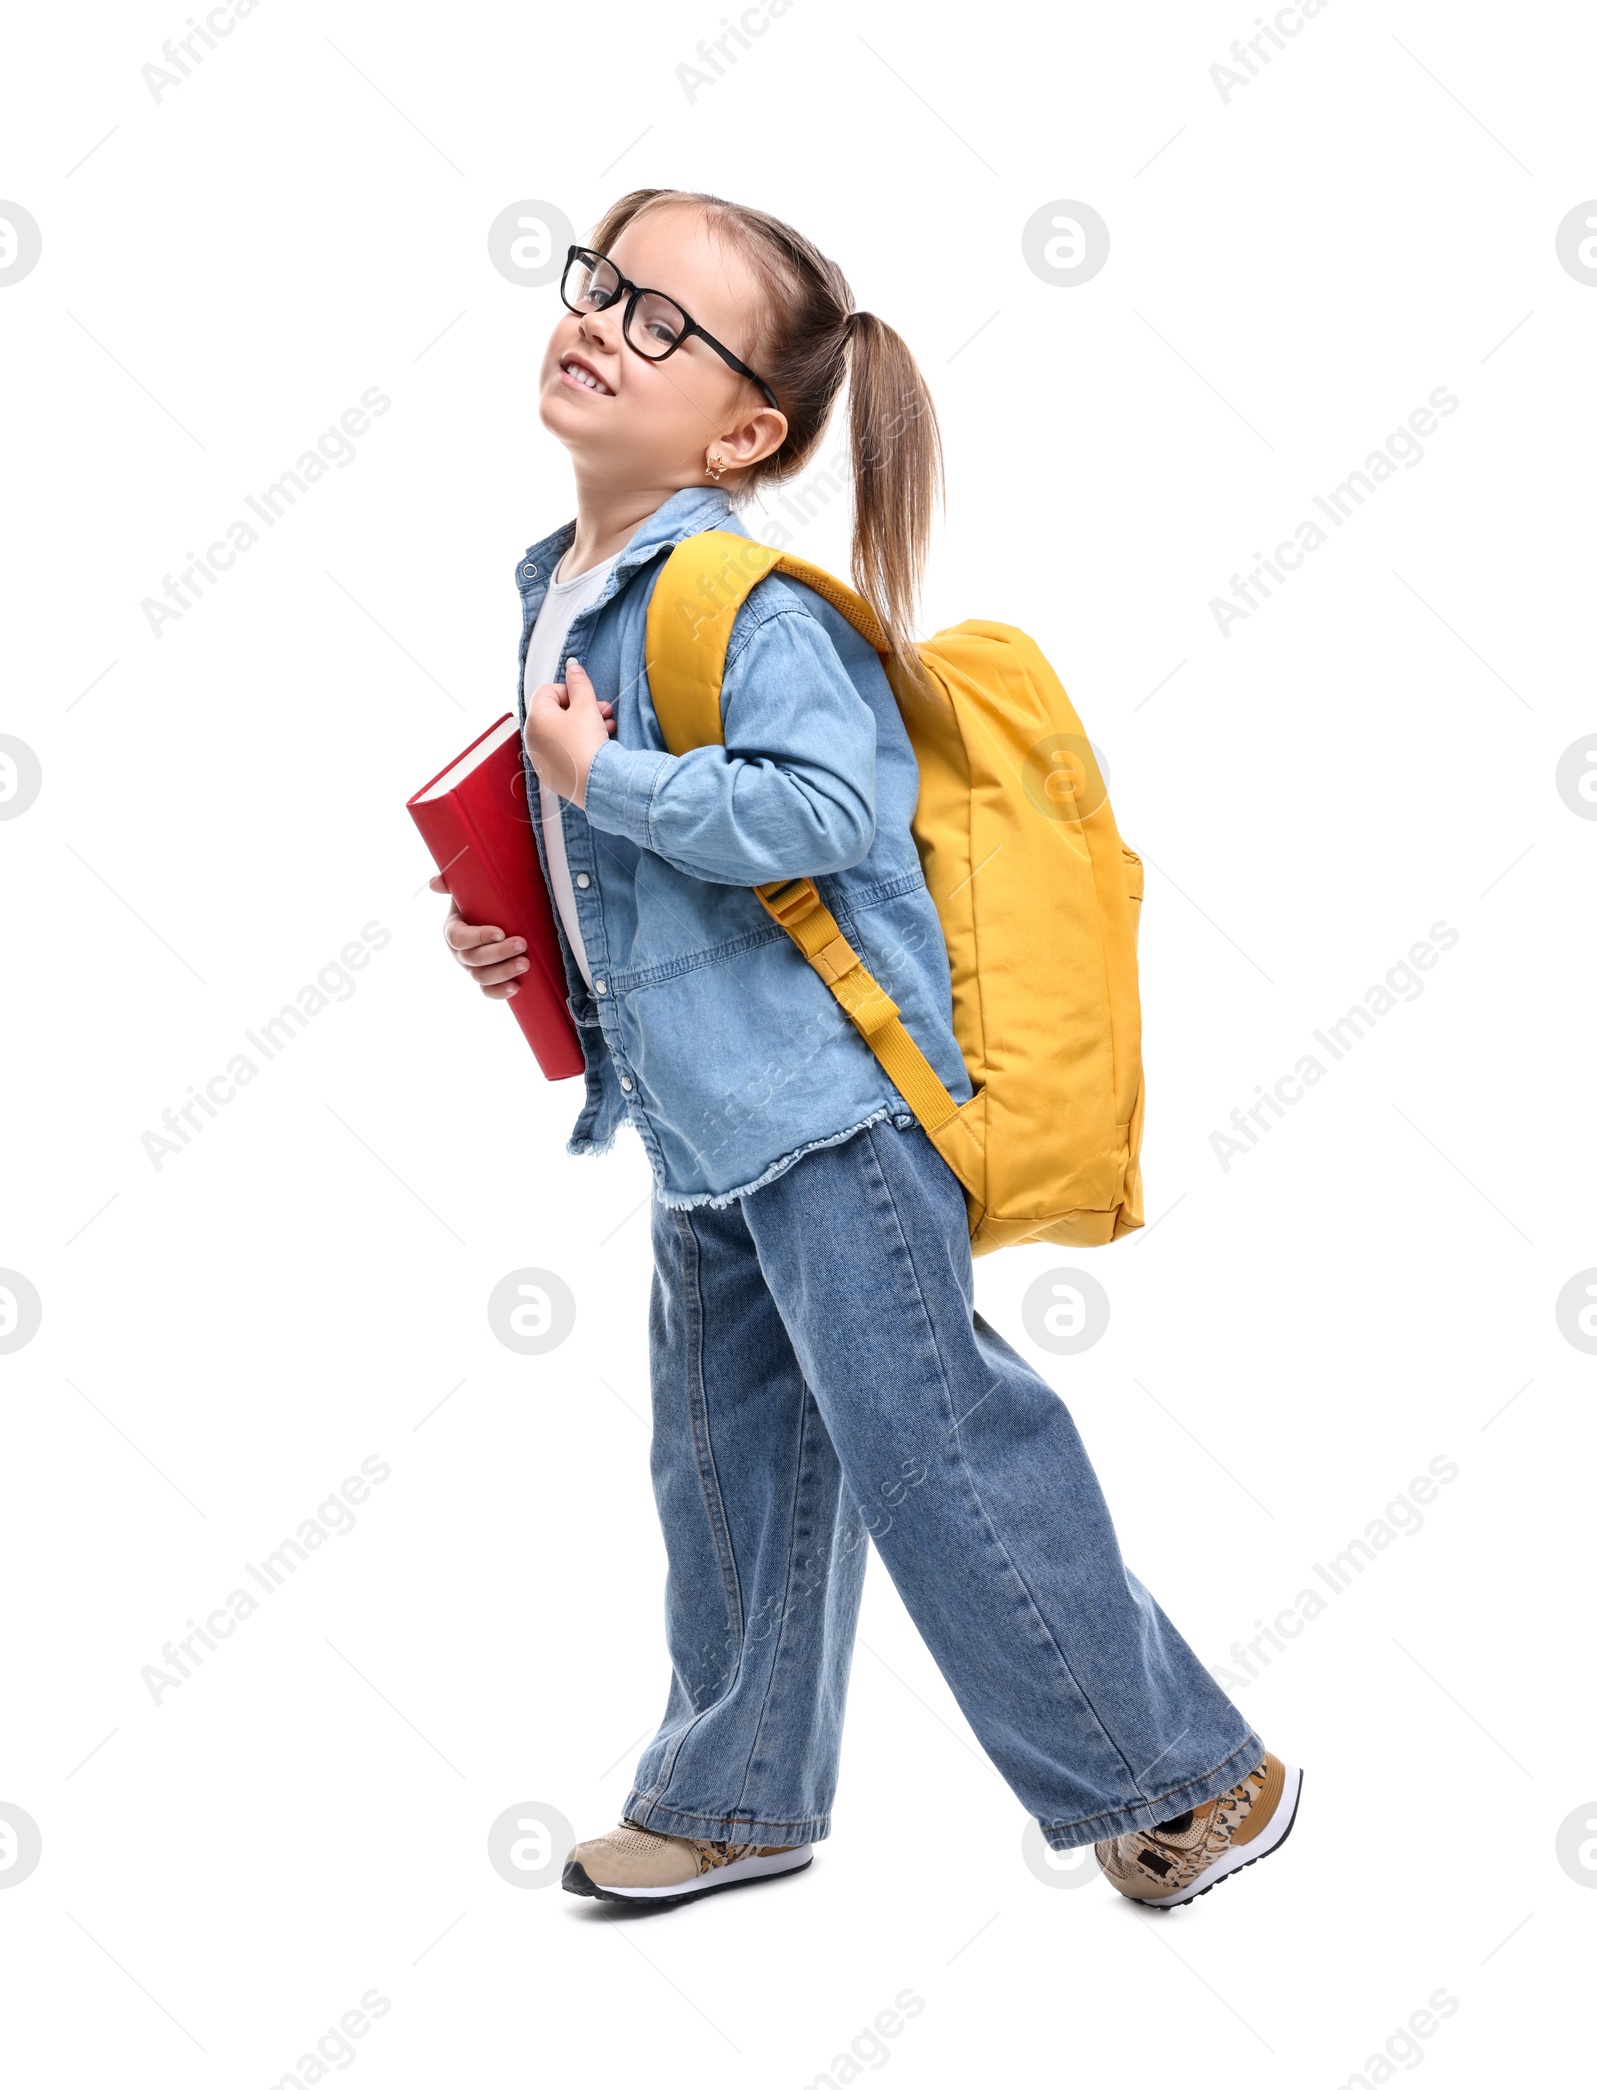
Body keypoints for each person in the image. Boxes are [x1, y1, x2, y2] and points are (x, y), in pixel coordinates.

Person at [432, 188, 1301, 1914]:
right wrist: (528, 930)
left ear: (748, 429)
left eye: (666, 322)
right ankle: (735, 1791)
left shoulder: (745, 603)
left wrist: (609, 784)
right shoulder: (562, 587)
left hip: (830, 1115)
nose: (607, 319)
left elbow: (835, 808)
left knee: (940, 1452)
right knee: (726, 1463)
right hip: (702, 1123)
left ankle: (1195, 1777)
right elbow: (646, 863)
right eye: (603, 285)